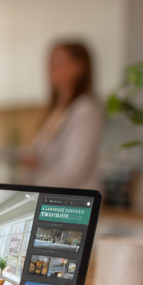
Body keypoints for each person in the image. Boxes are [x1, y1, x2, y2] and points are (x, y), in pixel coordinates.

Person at [24, 42, 105, 190]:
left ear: (79, 67)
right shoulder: (55, 111)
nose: (51, 68)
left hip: (72, 203)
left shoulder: (85, 109)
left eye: (59, 62)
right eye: (50, 62)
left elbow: (73, 170)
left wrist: (34, 186)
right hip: (50, 197)